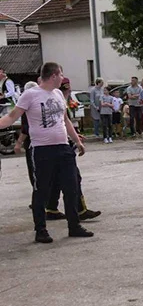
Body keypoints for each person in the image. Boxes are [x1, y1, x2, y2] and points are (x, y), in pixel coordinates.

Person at [0, 62, 94, 243]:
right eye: (61, 75)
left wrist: (76, 141)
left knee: (71, 187)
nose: (62, 78)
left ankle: (74, 226)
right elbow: (12, 117)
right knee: (41, 190)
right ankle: (41, 230)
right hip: (42, 150)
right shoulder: (30, 95)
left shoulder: (58, 94)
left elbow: (64, 119)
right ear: (53, 76)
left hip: (63, 148)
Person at [41, 76, 102, 221]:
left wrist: (74, 135)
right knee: (73, 177)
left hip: (51, 145)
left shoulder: (52, 99)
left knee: (55, 178)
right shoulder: (58, 101)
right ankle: (80, 211)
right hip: (61, 145)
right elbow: (62, 123)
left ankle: (51, 208)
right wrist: (73, 138)